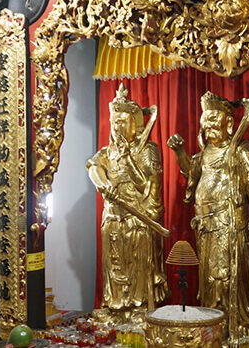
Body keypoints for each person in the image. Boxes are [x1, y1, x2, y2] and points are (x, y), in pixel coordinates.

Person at [167, 92, 249, 343]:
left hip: (232, 228)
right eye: (206, 118)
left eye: (215, 118)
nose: (209, 124)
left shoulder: (240, 150)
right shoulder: (205, 153)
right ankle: (213, 326)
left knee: (232, 282)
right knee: (211, 283)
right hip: (206, 230)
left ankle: (239, 326)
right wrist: (180, 150)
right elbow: (191, 172)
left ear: (229, 122)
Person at [87, 84, 167, 323]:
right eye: (114, 122)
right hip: (113, 217)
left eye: (123, 122)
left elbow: (147, 186)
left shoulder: (148, 150)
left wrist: (128, 159)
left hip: (137, 218)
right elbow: (93, 167)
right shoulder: (107, 152)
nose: (117, 127)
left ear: (136, 124)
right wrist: (103, 185)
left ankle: (139, 308)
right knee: (114, 263)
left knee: (137, 263)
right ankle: (114, 307)